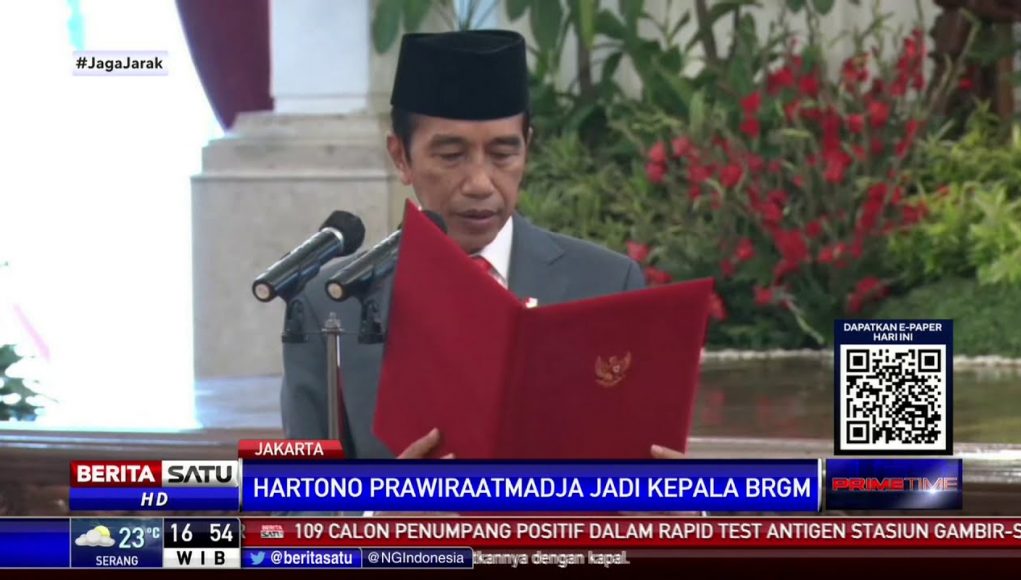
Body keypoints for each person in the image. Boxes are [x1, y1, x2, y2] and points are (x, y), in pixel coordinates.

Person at [280, 29, 684, 461]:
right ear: (401, 157)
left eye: (503, 154)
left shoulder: (607, 284)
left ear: (528, 148)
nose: (479, 183)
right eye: (451, 156)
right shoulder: (332, 303)